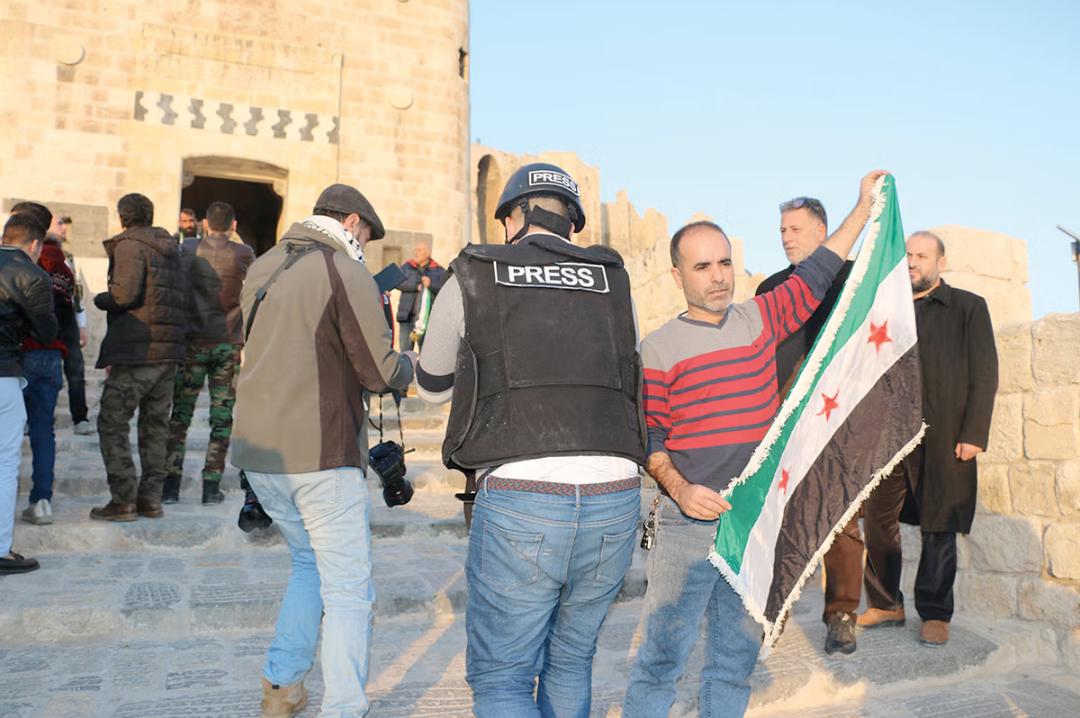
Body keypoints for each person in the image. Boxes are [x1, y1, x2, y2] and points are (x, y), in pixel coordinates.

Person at [623, 171, 886, 718]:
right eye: (702, 267)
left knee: (735, 660)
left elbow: (818, 272)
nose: (718, 277)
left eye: (725, 263)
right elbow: (651, 438)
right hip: (687, 524)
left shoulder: (760, 319)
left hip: (752, 523)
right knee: (661, 658)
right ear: (677, 276)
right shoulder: (658, 348)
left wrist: (862, 208)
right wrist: (679, 489)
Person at [417, 162, 645, 717]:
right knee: (571, 659)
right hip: (616, 493)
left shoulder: (475, 271)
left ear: (513, 217)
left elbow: (430, 385)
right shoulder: (613, 279)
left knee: (503, 677)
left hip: (523, 492)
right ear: (572, 221)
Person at [231, 183, 414, 717]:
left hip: (260, 455)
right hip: (318, 452)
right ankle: (344, 708)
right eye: (366, 235)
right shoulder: (342, 269)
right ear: (352, 222)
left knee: (309, 564)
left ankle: (282, 686)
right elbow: (378, 370)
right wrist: (412, 368)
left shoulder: (264, 265)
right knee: (350, 593)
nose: (365, 246)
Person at [858, 231, 998, 647]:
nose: (912, 262)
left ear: (941, 262)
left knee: (940, 523)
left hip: (945, 435)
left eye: (921, 255)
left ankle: (935, 613)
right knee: (878, 519)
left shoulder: (969, 307)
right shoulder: (888, 312)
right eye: (907, 255)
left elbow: (985, 373)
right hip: (891, 437)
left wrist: (974, 433)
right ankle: (886, 603)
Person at [756, 196, 861, 655]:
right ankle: (771, 613)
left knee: (842, 522)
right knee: (780, 521)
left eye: (795, 229)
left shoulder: (858, 278)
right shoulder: (771, 287)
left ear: (822, 231)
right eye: (782, 230)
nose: (786, 238)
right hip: (783, 422)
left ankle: (841, 615)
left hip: (840, 420)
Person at [90, 194, 186, 522]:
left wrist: (99, 299)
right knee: (155, 427)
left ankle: (123, 500)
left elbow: (124, 295)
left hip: (139, 351)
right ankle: (151, 500)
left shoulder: (130, 245)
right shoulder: (171, 249)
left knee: (112, 421)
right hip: (168, 352)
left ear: (122, 218)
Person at [163, 201, 254, 505]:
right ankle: (211, 486)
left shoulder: (187, 248)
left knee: (180, 415)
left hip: (192, 340)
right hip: (227, 341)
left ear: (204, 224)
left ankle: (170, 485)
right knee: (222, 417)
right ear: (234, 226)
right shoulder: (243, 253)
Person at [9, 205, 76, 526]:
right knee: (42, 430)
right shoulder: (62, 265)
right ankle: (41, 500)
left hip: (17, 355)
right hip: (50, 355)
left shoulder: (13, 262)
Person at [0, 214, 56, 573]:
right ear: (35, 244)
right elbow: (46, 331)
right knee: (6, 462)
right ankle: (1, 548)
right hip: (3, 372)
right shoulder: (32, 275)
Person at [52, 215, 92, 434]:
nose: (64, 228)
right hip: (46, 323)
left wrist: (82, 324)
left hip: (68, 324)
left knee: (76, 372)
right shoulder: (36, 255)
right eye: (59, 223)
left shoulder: (68, 257)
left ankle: (80, 418)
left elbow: (76, 294)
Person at [395, 239, 445, 351]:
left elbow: (444, 289)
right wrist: (415, 286)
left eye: (419, 250)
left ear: (428, 253)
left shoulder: (439, 270)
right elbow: (397, 282)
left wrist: (431, 284)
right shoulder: (407, 267)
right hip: (406, 318)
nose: (416, 253)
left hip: (427, 320)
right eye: (415, 250)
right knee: (405, 353)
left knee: (426, 353)